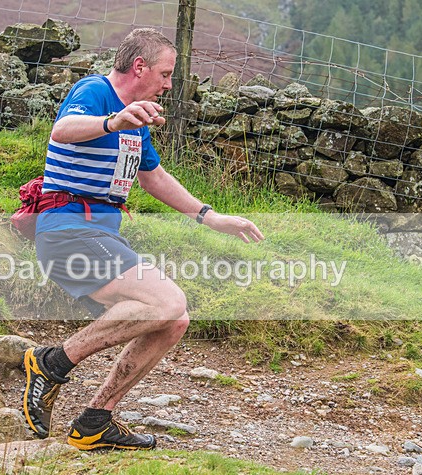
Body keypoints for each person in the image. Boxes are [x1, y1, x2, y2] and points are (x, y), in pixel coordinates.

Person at [22, 28, 264, 451]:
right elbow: (63, 130)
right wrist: (112, 120)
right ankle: (51, 362)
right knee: (167, 301)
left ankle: (95, 420)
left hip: (97, 234)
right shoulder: (96, 92)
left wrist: (210, 216)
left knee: (173, 321)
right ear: (140, 67)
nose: (169, 84)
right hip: (68, 230)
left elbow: (152, 176)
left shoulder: (138, 118)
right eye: (166, 74)